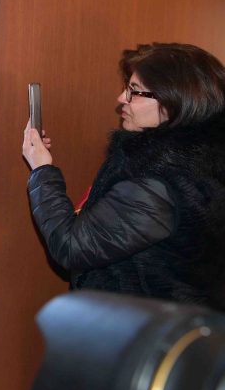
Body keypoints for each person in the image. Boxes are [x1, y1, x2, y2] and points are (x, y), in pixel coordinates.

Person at [22, 43, 225, 310]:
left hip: (143, 327)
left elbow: (72, 246)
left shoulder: (159, 182)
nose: (121, 99)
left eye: (134, 91)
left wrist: (41, 170)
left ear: (174, 101)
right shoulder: (197, 158)